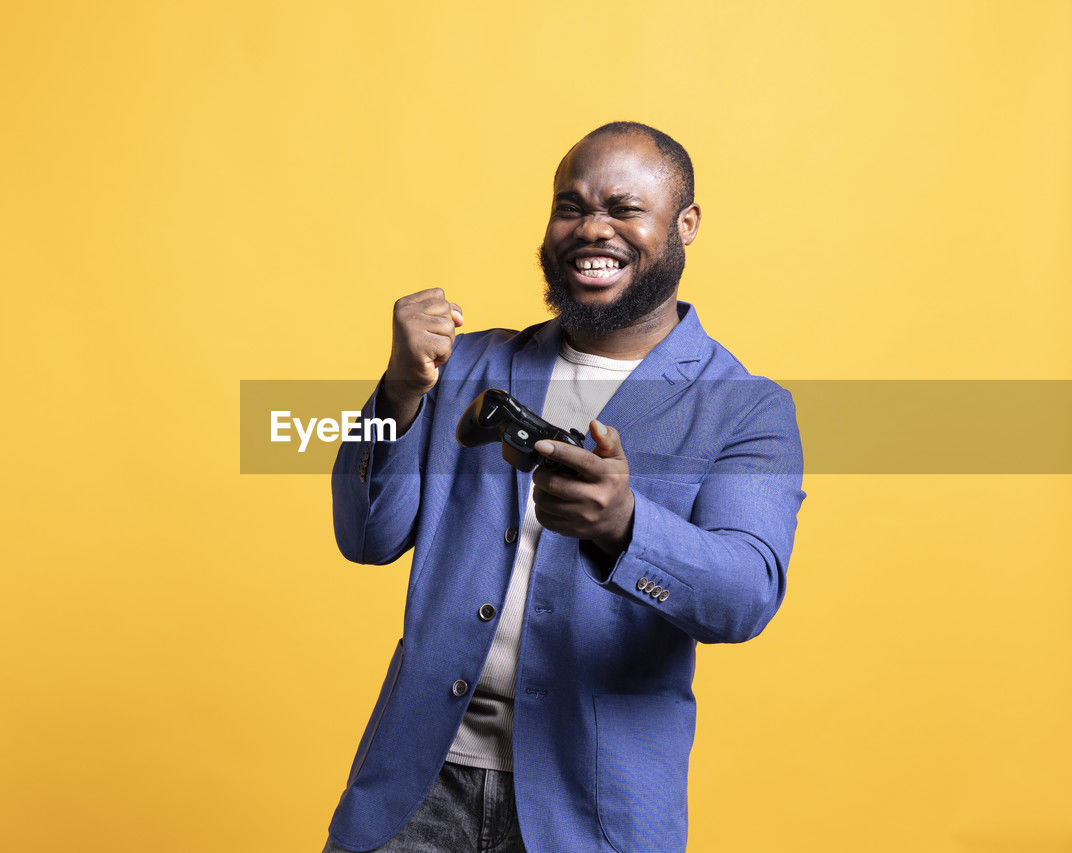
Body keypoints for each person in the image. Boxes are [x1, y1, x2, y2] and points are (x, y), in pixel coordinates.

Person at [322, 122, 806, 852]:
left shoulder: (746, 407)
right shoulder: (466, 363)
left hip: (594, 812)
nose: (592, 229)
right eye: (571, 206)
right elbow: (366, 535)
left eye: (622, 208)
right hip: (415, 785)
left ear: (685, 224)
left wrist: (627, 526)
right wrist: (395, 393)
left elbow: (744, 596)